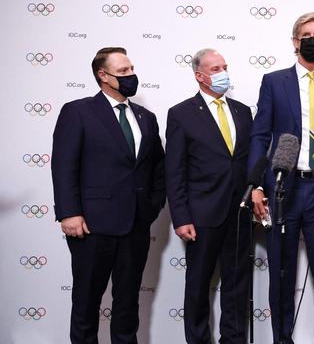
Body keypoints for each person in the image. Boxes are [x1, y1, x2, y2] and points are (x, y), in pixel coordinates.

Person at [248, 12, 314, 344]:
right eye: (306, 34)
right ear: (295, 41)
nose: (312, 39)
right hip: (283, 188)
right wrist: (256, 185)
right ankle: (283, 339)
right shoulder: (274, 81)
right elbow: (260, 136)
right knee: (282, 273)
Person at [51, 47, 165, 344]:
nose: (131, 76)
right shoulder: (78, 111)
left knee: (128, 305)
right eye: (123, 71)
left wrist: (150, 207)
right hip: (91, 226)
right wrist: (69, 212)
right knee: (87, 303)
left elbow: (158, 169)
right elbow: (64, 165)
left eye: (131, 69)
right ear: (103, 75)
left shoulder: (146, 117)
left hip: (135, 225)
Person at [165, 49, 253, 344]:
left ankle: (234, 339)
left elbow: (248, 161)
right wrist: (181, 217)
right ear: (199, 75)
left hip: (240, 212)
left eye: (225, 66)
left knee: (238, 285)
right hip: (201, 213)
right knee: (198, 285)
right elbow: (174, 171)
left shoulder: (243, 111)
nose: (223, 72)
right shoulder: (181, 114)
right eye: (216, 68)